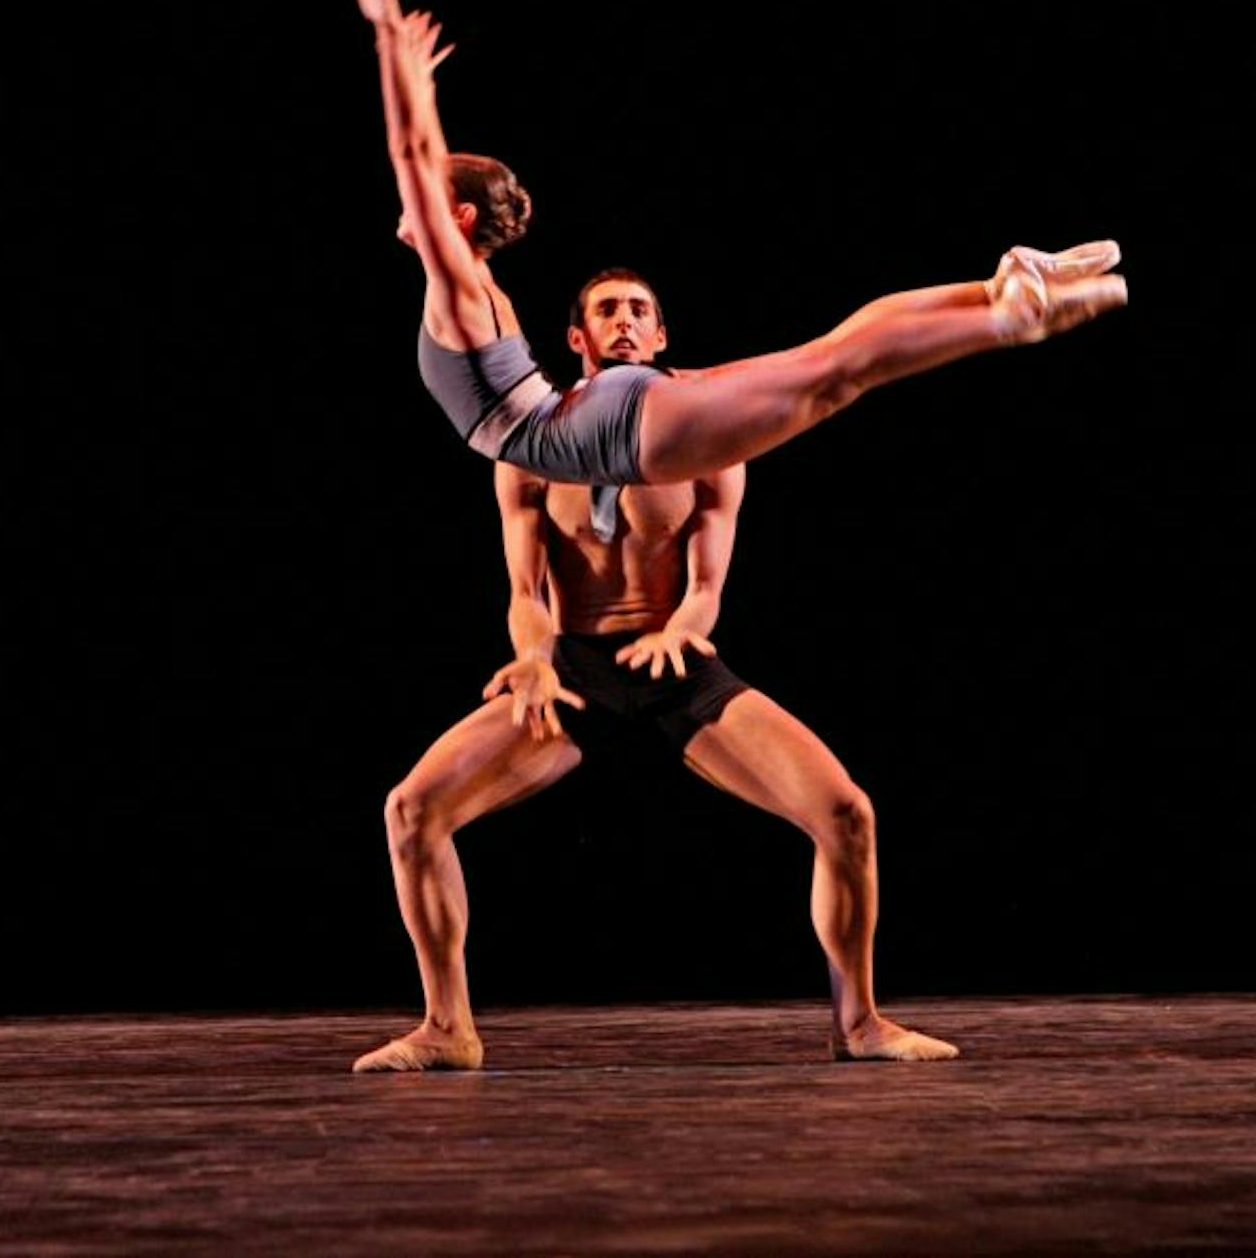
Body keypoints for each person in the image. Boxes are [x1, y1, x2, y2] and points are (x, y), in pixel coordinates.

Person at [354, 269, 960, 1072]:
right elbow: (526, 591)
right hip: (574, 673)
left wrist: (682, 629)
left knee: (847, 813)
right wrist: (533, 659)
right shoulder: (528, 445)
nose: (626, 322)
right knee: (410, 810)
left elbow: (707, 584)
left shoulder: (707, 437)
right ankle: (447, 1026)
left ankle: (861, 1022)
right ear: (577, 339)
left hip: (676, 670)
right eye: (608, 310)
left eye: (641, 310)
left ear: (662, 334)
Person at [356, 0, 1129, 489]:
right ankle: (997, 287)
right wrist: (418, 88)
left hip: (606, 427)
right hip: (603, 410)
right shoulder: (471, 289)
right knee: (828, 361)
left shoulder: (457, 292)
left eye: (421, 204)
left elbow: (414, 157)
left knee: (834, 373)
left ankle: (1006, 315)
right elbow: (425, 159)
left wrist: (389, 35)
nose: (405, 207)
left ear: (453, 219)